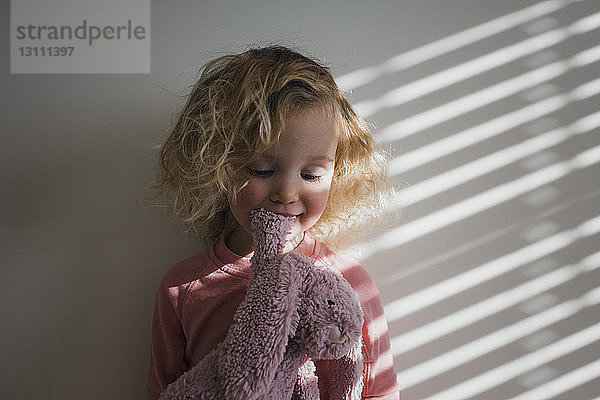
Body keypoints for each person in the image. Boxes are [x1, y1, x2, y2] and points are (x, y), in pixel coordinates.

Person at [147, 45, 400, 399]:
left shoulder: (348, 285)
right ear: (218, 166)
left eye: (310, 174)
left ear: (335, 172)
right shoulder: (183, 288)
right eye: (261, 170)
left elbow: (379, 389)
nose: (286, 192)